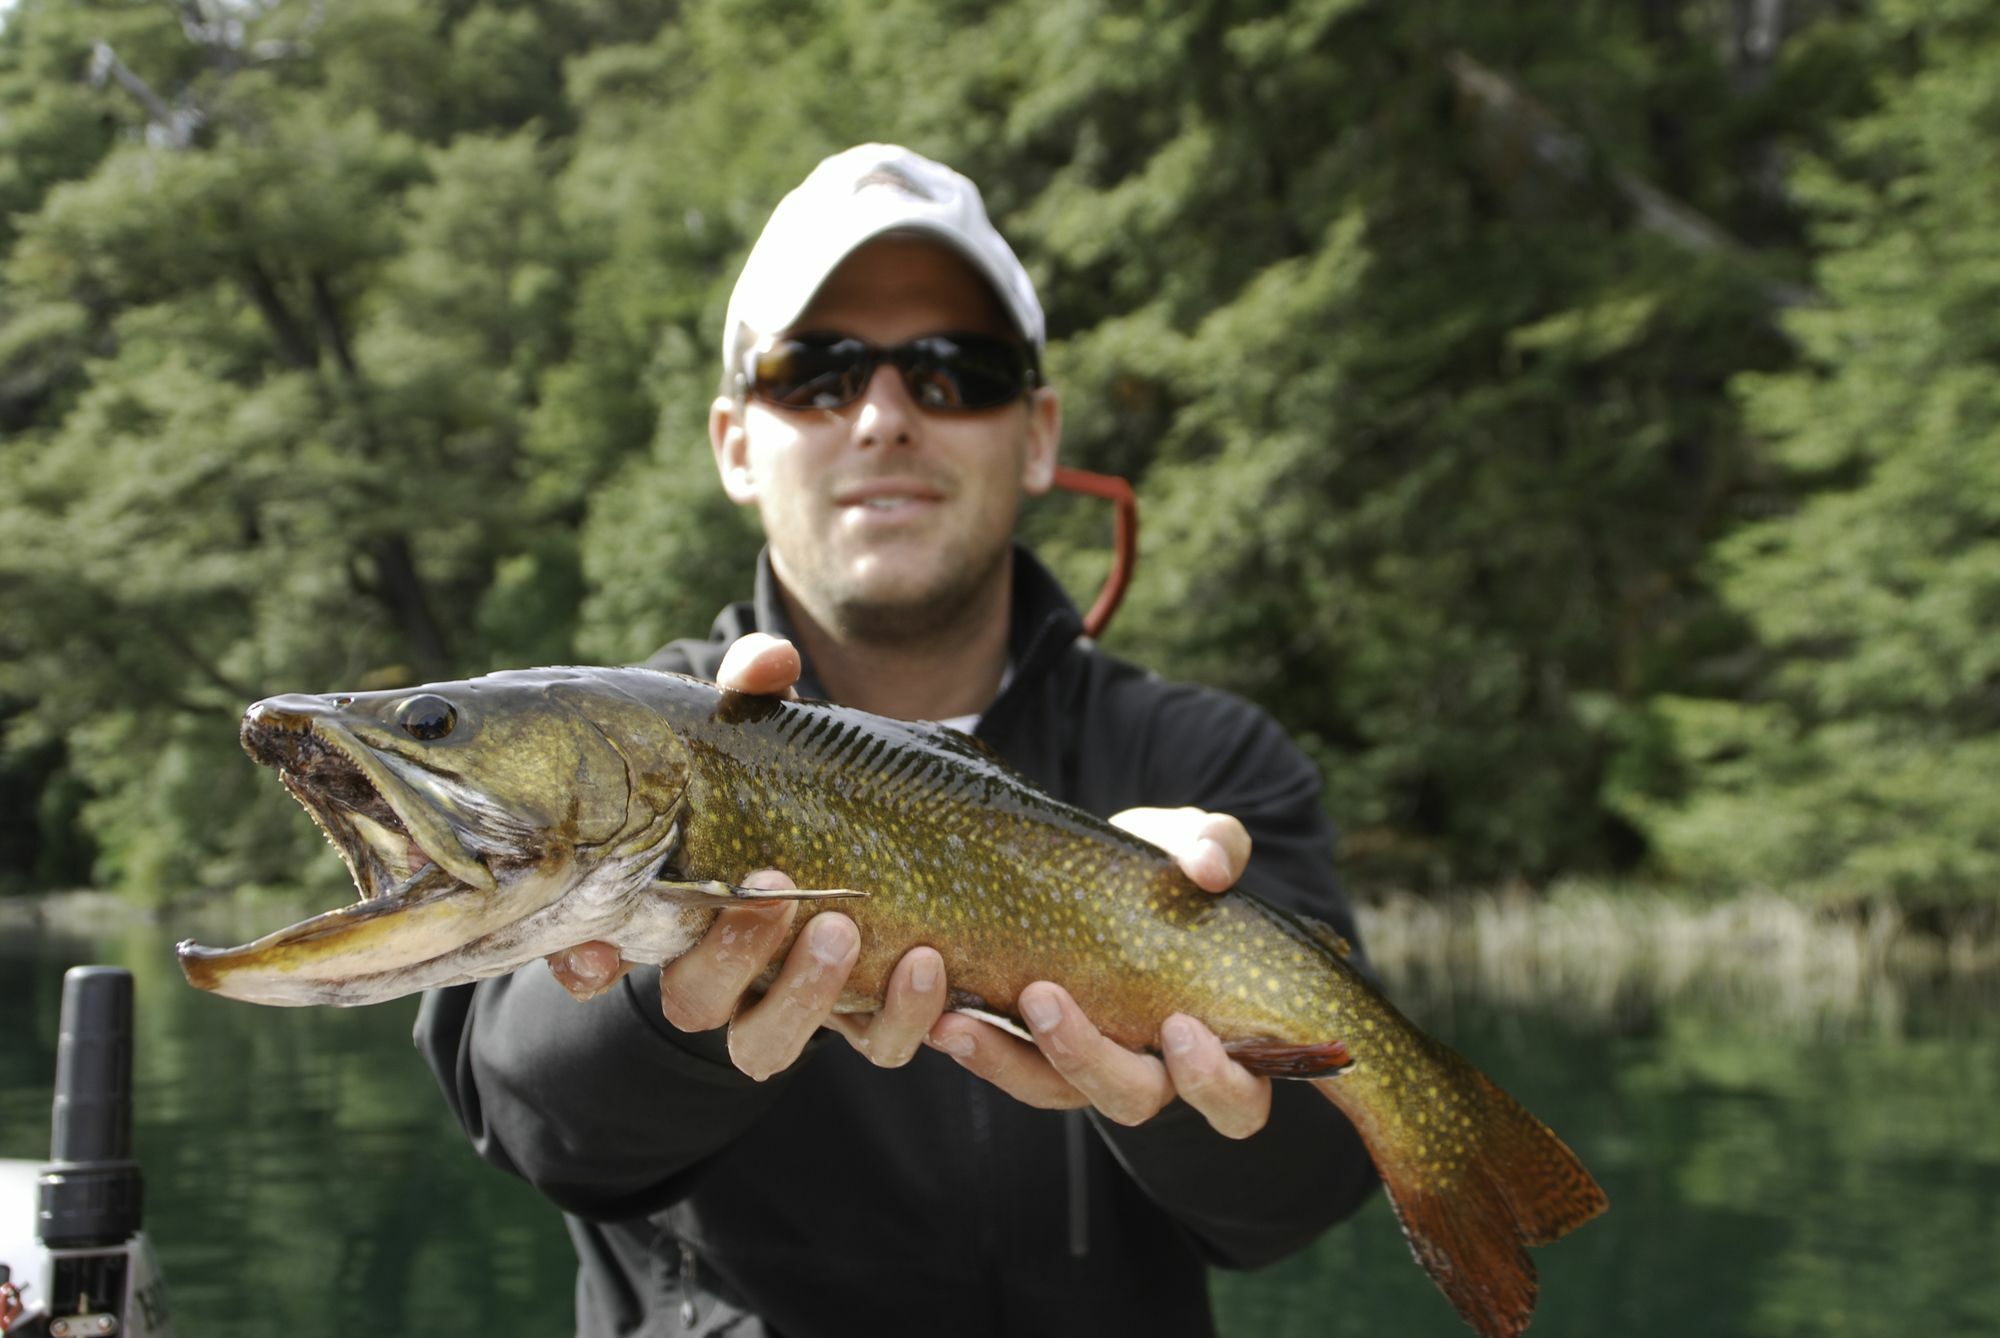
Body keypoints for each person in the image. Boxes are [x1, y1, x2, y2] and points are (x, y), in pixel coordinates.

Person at [415, 144, 1378, 1338]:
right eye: (812, 372)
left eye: (953, 371)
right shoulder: (619, 736)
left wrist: (1180, 1084)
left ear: (1035, 435)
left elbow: (1312, 1185)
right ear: (732, 443)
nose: (882, 417)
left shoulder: (1204, 759)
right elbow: (526, 1113)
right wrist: (667, 1009)